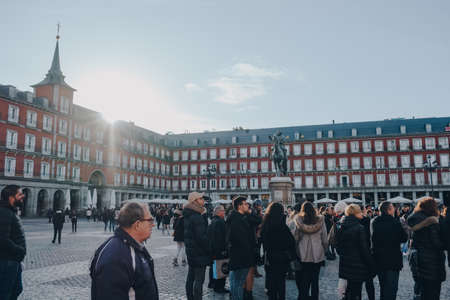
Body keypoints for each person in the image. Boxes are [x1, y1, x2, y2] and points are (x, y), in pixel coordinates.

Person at [90, 201, 158, 300]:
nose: (153, 225)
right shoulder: (116, 258)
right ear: (137, 224)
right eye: (150, 220)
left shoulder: (135, 247)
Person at [407, 197, 446, 300]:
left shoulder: (413, 218)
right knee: (433, 292)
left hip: (419, 261)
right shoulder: (432, 221)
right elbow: (436, 242)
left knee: (423, 290)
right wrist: (445, 245)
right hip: (432, 262)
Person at [336, 204, 375, 300]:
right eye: (360, 212)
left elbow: (338, 247)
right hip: (358, 265)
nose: (362, 213)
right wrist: (371, 265)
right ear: (356, 213)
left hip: (345, 264)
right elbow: (364, 250)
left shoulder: (340, 226)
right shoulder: (359, 228)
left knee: (349, 291)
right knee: (356, 292)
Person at [371, 201, 408, 300]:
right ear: (389, 210)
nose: (395, 209)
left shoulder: (375, 222)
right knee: (391, 289)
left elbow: (373, 239)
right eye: (393, 208)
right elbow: (404, 238)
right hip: (393, 260)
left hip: (379, 259)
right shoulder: (395, 222)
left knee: (383, 287)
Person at [293, 201, 328, 300]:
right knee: (315, 280)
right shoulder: (320, 221)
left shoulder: (299, 221)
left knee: (305, 280)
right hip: (317, 254)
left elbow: (295, 238)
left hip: (303, 254)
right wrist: (325, 250)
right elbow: (325, 239)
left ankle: (303, 297)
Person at [262, 202, 296, 300]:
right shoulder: (283, 226)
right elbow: (291, 242)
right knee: (281, 282)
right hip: (282, 258)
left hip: (270, 257)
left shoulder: (266, 224)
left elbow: (263, 241)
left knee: (271, 282)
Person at [0, 185, 26, 299]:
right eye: (19, 194)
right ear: (11, 197)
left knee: (16, 289)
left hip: (13, 260)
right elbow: (2, 239)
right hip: (7, 261)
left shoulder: (10, 211)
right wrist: (19, 251)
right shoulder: (4, 212)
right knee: (5, 293)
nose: (23, 196)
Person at [227, 195, 255, 300]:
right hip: (241, 256)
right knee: (238, 283)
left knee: (235, 282)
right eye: (245, 204)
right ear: (239, 206)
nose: (247, 205)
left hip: (237, 255)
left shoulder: (237, 217)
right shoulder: (237, 220)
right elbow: (241, 239)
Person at [183, 192, 210, 300]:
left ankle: (190, 297)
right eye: (201, 198)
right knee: (199, 280)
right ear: (195, 201)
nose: (203, 200)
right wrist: (209, 247)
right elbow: (202, 237)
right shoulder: (197, 216)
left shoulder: (188, 214)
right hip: (199, 252)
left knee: (191, 278)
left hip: (191, 251)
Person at [207, 205, 229, 294]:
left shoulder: (213, 221)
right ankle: (219, 287)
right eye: (223, 211)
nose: (224, 212)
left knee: (213, 268)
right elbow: (222, 238)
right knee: (221, 269)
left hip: (213, 249)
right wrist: (223, 250)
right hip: (220, 250)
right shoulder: (220, 222)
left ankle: (212, 283)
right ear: (219, 212)